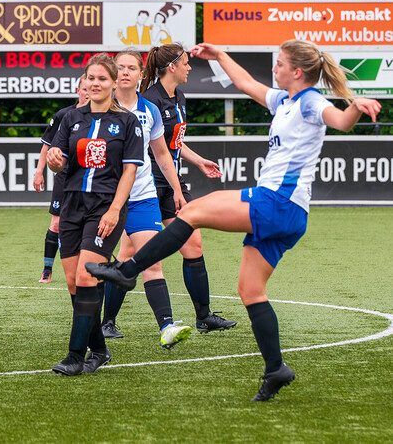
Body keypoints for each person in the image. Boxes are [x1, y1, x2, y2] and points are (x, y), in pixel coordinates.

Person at [86, 40, 381, 401]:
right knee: (250, 291)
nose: (275, 68)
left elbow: (338, 120)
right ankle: (276, 369)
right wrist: (221, 56)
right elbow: (246, 85)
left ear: (297, 72)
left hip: (277, 203)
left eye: (281, 63)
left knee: (192, 212)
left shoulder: (310, 102)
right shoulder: (284, 101)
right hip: (290, 214)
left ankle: (128, 270)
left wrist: (353, 108)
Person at [47, 53, 144, 376]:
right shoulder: (71, 118)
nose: (95, 84)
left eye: (102, 79)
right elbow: (57, 160)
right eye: (91, 78)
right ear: (84, 82)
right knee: (75, 283)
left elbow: (130, 171)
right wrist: (54, 161)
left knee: (88, 276)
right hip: (73, 203)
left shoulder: (129, 123)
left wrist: (116, 209)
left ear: (114, 83)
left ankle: (75, 355)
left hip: (105, 206)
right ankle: (99, 350)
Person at [100, 49, 192, 349]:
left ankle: (166, 327)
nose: (125, 72)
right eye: (120, 67)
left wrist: (177, 191)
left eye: (131, 68)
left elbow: (162, 154)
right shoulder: (98, 107)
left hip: (142, 197)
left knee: (151, 262)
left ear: (141, 75)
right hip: (102, 200)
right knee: (102, 264)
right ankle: (101, 324)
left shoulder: (149, 111)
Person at [143, 43, 236, 334]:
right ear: (171, 67)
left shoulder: (179, 97)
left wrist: (197, 161)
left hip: (171, 183)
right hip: (146, 185)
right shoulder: (148, 101)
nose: (189, 67)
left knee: (193, 244)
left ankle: (204, 316)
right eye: (185, 63)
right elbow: (151, 148)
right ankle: (106, 322)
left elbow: (173, 143)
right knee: (131, 254)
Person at [32, 76, 89, 283]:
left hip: (88, 178)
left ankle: (83, 266)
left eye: (90, 88)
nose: (87, 92)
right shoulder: (64, 115)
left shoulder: (100, 116)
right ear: (78, 90)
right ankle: (47, 269)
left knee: (87, 223)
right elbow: (47, 145)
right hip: (65, 178)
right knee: (56, 223)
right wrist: (39, 172)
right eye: (84, 88)